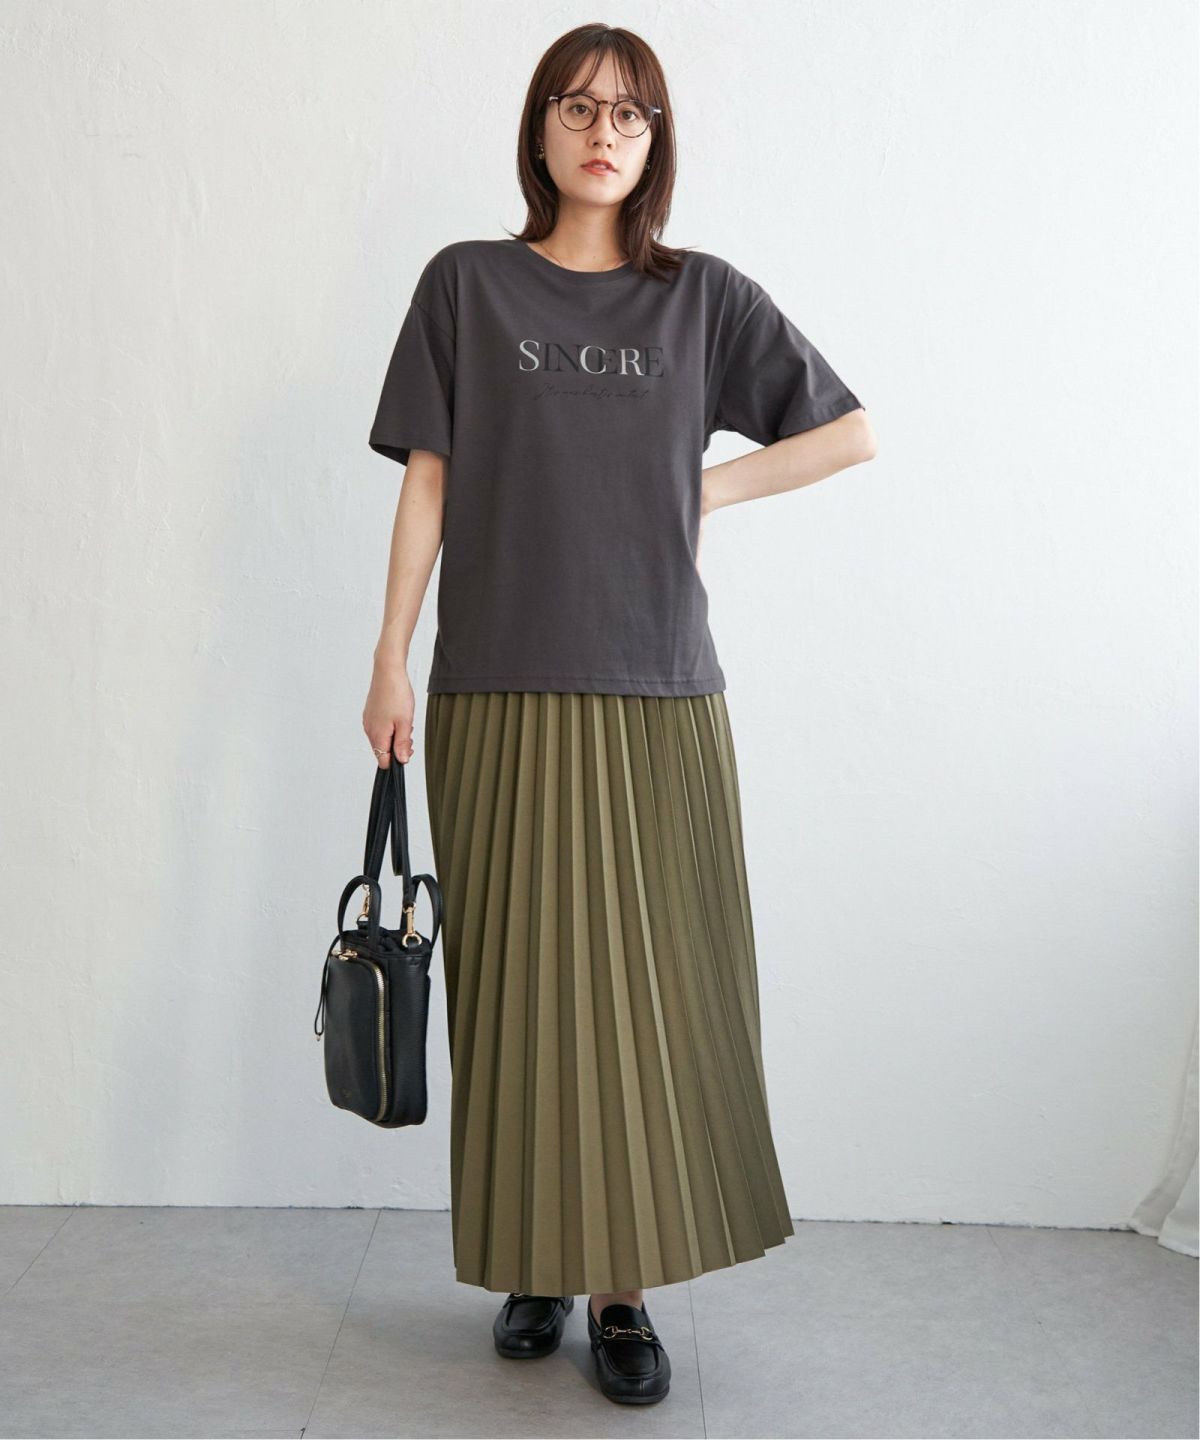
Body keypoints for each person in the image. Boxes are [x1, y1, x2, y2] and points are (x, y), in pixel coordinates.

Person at [362, 22, 877, 1407]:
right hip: (494, 684)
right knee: (519, 994)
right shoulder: (466, 285)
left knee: (642, 1002)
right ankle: (533, 1261)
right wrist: (389, 656)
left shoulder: (699, 299)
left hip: (657, 690)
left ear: (657, 142)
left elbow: (848, 430)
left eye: (631, 114)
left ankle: (623, 1290)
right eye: (579, 108)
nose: (604, 133)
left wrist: (701, 489)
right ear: (538, 128)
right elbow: (428, 480)